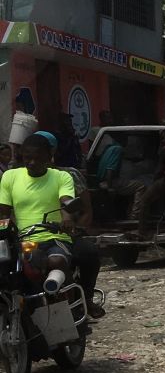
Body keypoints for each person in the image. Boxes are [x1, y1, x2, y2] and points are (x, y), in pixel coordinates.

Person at [0, 131, 102, 318]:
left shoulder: (61, 176)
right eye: (27, 158)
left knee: (75, 256)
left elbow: (66, 201)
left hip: (54, 236)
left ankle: (79, 302)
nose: (31, 163)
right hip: (23, 240)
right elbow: (3, 213)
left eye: (37, 158)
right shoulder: (10, 176)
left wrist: (67, 218)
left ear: (49, 156)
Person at [44, 131, 104, 319]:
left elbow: (86, 210)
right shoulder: (14, 176)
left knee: (89, 253)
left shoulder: (68, 175)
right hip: (30, 236)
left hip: (64, 234)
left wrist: (76, 230)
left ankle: (85, 298)